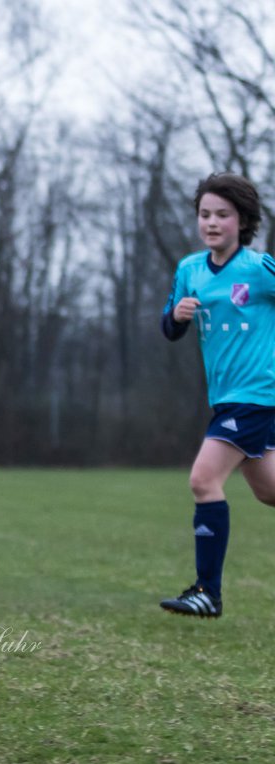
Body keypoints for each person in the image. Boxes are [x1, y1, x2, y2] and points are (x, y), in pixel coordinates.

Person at [158, 172, 275, 619]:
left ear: (242, 221)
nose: (211, 222)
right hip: (226, 398)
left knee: (204, 480)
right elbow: (169, 330)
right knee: (268, 492)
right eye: (205, 214)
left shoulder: (259, 269)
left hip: (257, 396)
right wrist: (177, 314)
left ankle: (207, 592)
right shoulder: (190, 269)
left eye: (222, 215)